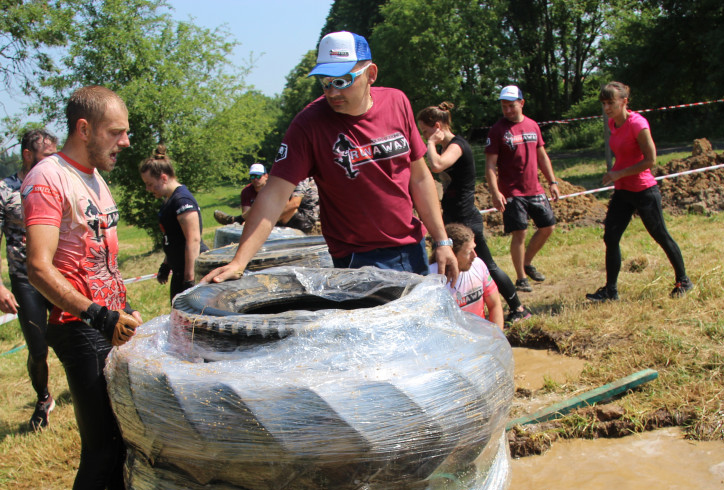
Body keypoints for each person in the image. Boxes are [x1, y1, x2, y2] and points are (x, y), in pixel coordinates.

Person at [203, 31, 458, 284]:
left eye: (343, 80)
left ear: (371, 74)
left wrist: (442, 239)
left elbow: (420, 178)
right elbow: (274, 196)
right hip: (357, 260)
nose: (333, 91)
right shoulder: (309, 125)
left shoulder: (396, 102)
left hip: (411, 249)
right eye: (325, 81)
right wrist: (239, 262)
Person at [23, 85, 141, 490]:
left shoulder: (94, 179)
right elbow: (39, 267)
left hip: (110, 324)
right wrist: (96, 314)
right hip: (78, 327)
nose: (126, 141)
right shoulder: (48, 179)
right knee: (100, 450)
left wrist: (122, 309)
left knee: (121, 441)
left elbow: (102, 260)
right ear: (84, 129)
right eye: (117, 132)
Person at [417, 101, 530, 325]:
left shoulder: (457, 145)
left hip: (466, 218)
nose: (424, 136)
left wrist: (430, 143)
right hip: (453, 217)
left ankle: (518, 307)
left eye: (426, 131)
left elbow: (437, 165)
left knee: (486, 265)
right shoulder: (445, 147)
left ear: (437, 126)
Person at [586, 82, 693, 302]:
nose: (607, 108)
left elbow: (651, 160)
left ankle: (683, 281)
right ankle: (610, 291)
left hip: (644, 190)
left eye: (611, 103)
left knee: (660, 235)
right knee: (611, 236)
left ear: (624, 101)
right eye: (604, 104)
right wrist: (616, 174)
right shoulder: (612, 123)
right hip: (623, 190)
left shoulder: (638, 124)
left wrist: (619, 173)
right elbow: (623, 153)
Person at [0, 129, 58, 431]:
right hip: (25, 279)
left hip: (59, 273)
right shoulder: (2, 191)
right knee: (38, 349)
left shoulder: (56, 182)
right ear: (28, 155)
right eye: (46, 156)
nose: (52, 162)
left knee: (79, 335)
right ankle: (43, 397)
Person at [485, 85, 560, 293]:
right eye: (503, 106)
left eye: (511, 106)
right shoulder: (497, 130)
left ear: (521, 103)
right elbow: (490, 165)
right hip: (511, 191)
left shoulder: (533, 126)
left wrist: (552, 181)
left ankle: (526, 263)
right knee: (520, 232)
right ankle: (520, 278)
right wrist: (494, 191)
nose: (507, 110)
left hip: (534, 188)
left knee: (548, 227)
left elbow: (542, 156)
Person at [139, 144, 208, 301]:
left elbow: (193, 240)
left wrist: (190, 280)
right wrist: (166, 264)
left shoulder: (182, 200)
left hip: (191, 271)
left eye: (149, 183)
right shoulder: (169, 200)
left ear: (164, 178)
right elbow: (175, 239)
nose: (147, 189)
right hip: (178, 270)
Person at [429, 223, 504, 329]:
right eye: (469, 252)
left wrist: (499, 339)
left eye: (474, 249)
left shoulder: (478, 265)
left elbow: (495, 304)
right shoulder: (431, 278)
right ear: (452, 255)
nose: (475, 256)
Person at [214, 164, 321, 233]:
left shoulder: (300, 177)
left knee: (280, 204)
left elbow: (294, 204)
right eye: (252, 177)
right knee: (266, 202)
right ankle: (236, 219)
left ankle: (237, 220)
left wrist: (266, 218)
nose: (255, 180)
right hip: (293, 215)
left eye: (258, 176)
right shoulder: (248, 190)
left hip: (306, 219)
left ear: (265, 176)